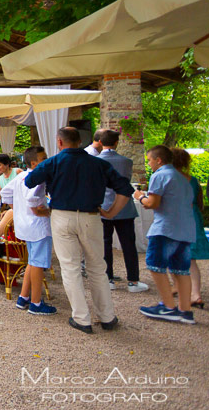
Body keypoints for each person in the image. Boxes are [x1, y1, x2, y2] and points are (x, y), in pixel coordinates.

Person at [25, 127, 133, 333]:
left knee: (70, 268)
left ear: (59, 142)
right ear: (80, 141)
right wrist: (111, 212)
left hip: (62, 216)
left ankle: (82, 318)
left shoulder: (53, 162)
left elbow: (30, 181)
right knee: (97, 268)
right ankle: (107, 316)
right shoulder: (99, 163)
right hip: (91, 216)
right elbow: (125, 189)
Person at [0, 146, 56, 315]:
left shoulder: (20, 176)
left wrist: (18, 208)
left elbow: (7, 193)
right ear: (34, 162)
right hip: (37, 225)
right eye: (44, 158)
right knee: (38, 263)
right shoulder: (35, 177)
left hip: (24, 225)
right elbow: (32, 198)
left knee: (33, 261)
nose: (47, 160)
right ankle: (36, 303)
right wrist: (42, 211)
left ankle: (23, 297)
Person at [134, 146, 196, 324]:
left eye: (150, 160)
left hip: (166, 229)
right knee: (181, 270)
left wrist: (140, 196)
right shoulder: (184, 179)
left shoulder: (160, 175)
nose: (150, 164)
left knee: (155, 266)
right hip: (185, 229)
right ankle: (185, 310)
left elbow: (153, 203)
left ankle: (168, 307)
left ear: (159, 160)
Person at [98, 130, 148, 293]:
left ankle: (108, 278)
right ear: (116, 143)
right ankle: (133, 281)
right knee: (128, 245)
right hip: (125, 207)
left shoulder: (95, 161)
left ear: (100, 142)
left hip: (103, 206)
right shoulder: (126, 162)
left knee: (104, 244)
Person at [171, 148, 208, 309]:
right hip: (193, 218)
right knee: (190, 259)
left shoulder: (169, 178)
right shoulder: (192, 180)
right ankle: (196, 294)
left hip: (176, 218)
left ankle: (178, 286)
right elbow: (200, 203)